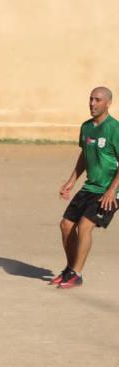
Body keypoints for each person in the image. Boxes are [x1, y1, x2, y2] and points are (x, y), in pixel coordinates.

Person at [54, 86, 119, 289]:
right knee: (65, 225)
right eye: (91, 99)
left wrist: (112, 190)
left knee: (84, 226)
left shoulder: (114, 129)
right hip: (90, 187)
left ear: (108, 103)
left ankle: (77, 274)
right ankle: (70, 268)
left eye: (97, 100)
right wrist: (72, 180)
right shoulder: (86, 127)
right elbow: (85, 155)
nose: (92, 103)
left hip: (110, 190)